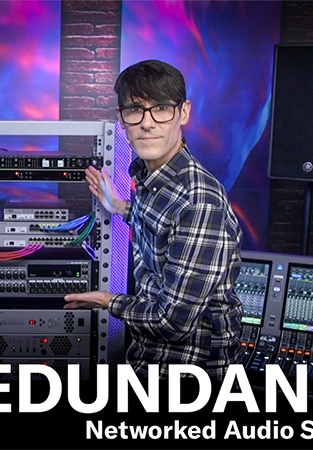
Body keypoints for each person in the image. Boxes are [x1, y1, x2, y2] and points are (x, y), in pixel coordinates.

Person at [64, 60, 244, 382]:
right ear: (122, 118)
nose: (147, 123)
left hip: (186, 381)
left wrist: (107, 300)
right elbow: (160, 226)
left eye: (161, 108)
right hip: (148, 363)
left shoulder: (199, 202)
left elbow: (173, 322)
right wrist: (118, 206)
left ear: (183, 112)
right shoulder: (154, 180)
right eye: (135, 110)